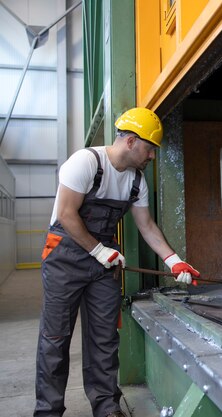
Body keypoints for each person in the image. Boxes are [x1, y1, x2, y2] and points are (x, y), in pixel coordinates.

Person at [34, 107, 200, 417]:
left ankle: (107, 406)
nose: (152, 156)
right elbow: (68, 214)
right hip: (64, 259)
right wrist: (98, 250)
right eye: (150, 148)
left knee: (104, 338)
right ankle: (47, 411)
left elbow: (146, 225)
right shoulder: (85, 163)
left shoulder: (136, 182)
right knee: (55, 339)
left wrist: (174, 261)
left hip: (104, 265)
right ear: (130, 141)